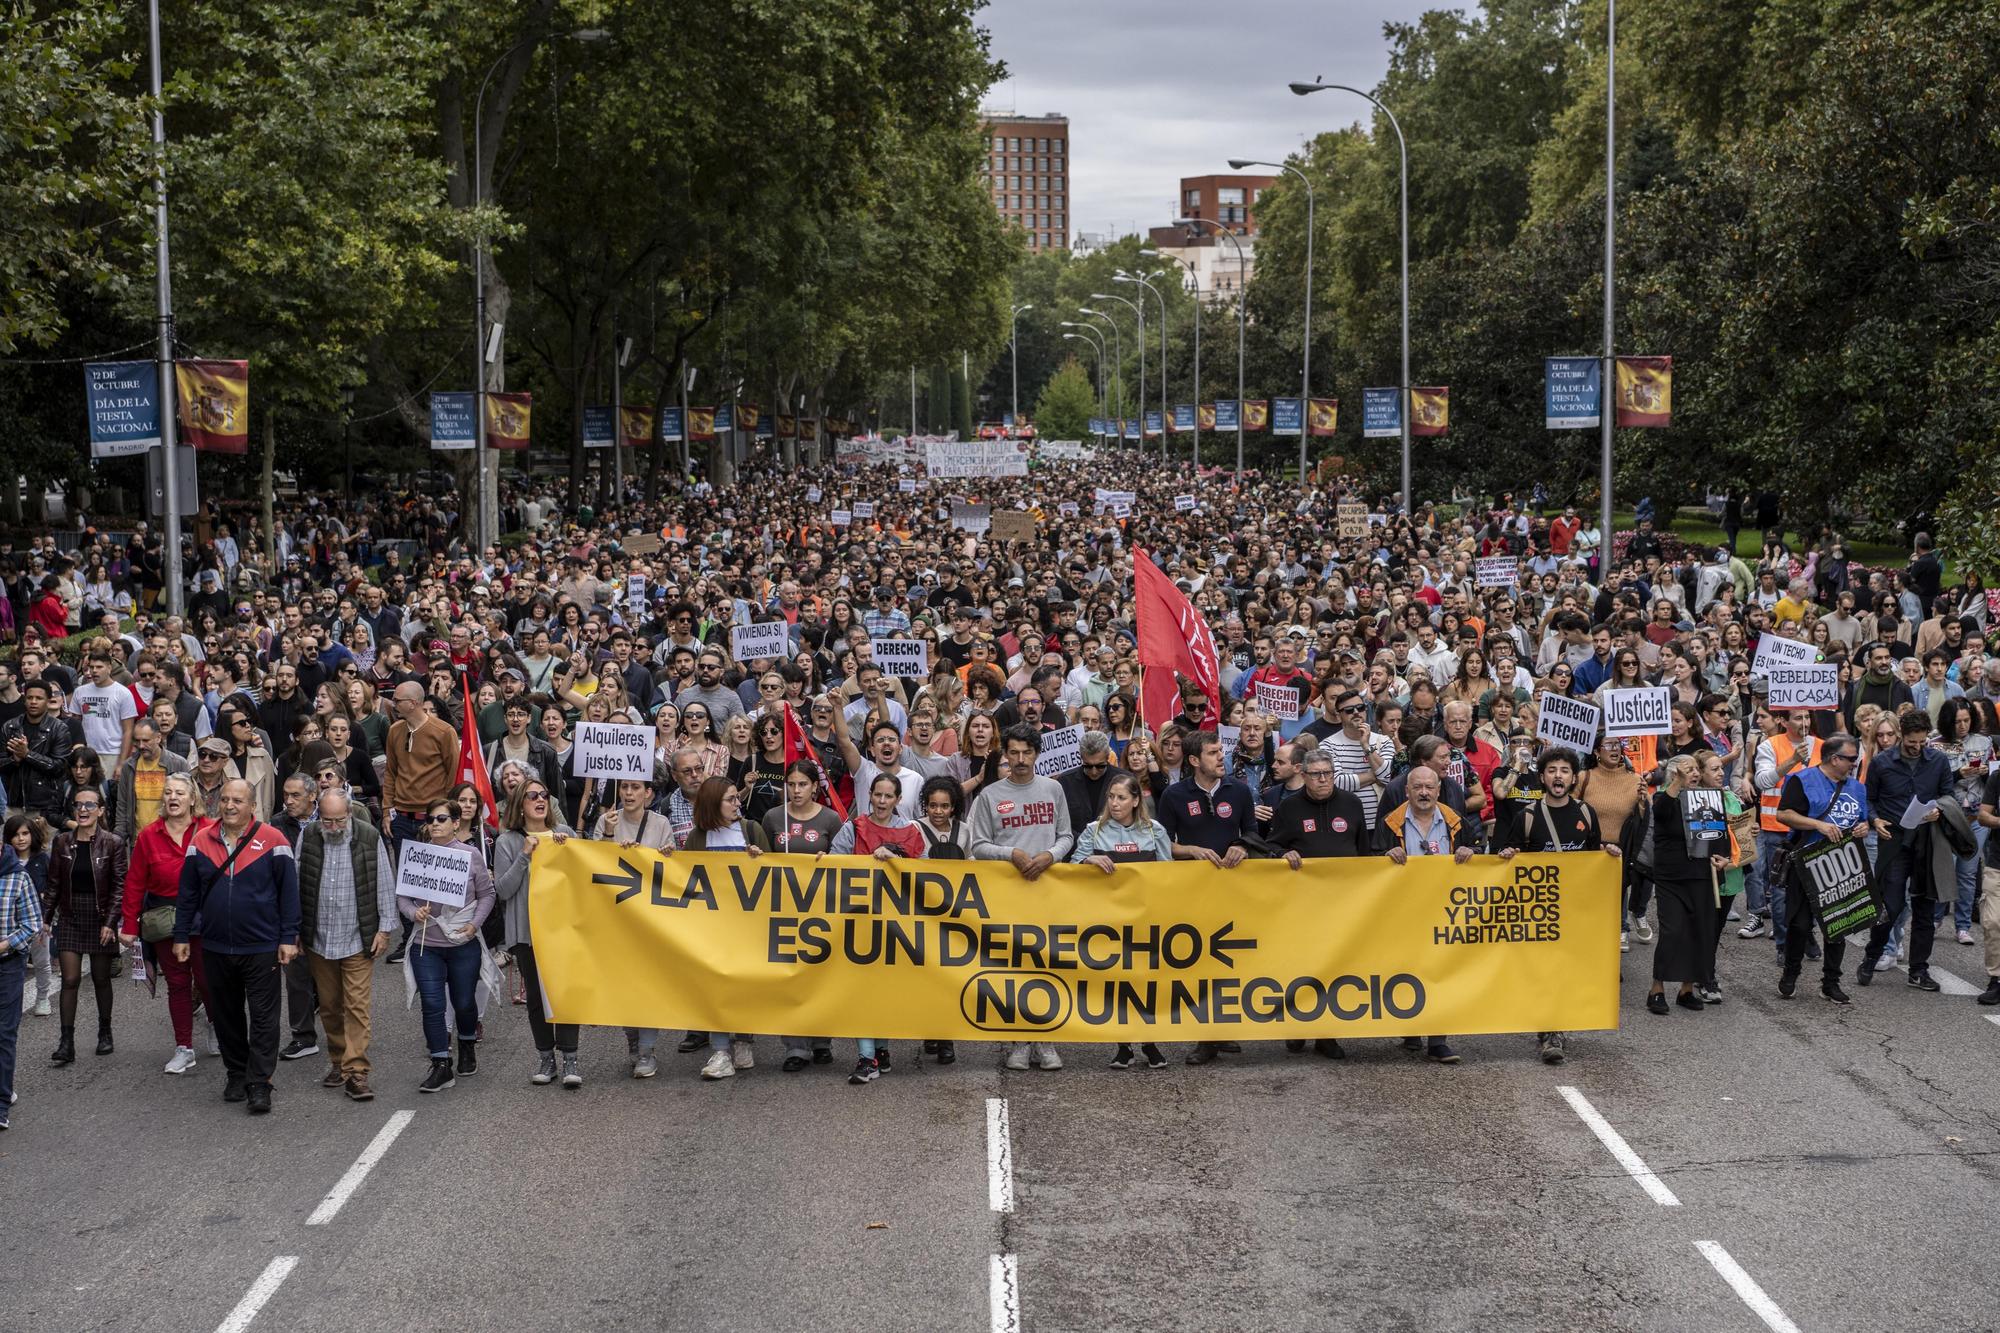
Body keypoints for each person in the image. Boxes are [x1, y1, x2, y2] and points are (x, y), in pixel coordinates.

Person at [173, 779, 300, 1115]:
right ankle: (235, 1073)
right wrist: (182, 935)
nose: (229, 806)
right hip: (215, 947)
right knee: (227, 1016)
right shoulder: (200, 842)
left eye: (238, 801)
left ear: (252, 806)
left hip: (261, 947)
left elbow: (289, 894)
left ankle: (260, 1083)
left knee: (263, 1018)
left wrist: (288, 938)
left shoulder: (274, 841)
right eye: (225, 800)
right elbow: (187, 895)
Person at [1495, 747, 1622, 1065]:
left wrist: (1607, 853)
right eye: (1552, 770)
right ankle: (1551, 1027)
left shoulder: (1585, 813)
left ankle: (1554, 1026)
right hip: (1539, 912)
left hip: (1574, 909)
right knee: (1544, 969)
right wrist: (1508, 855)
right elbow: (1507, 860)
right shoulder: (1527, 816)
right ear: (1542, 777)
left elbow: (1593, 856)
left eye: (1564, 770)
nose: (1558, 776)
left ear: (1573, 777)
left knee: (1565, 968)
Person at [968, 725, 1074, 1073]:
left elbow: (1066, 836)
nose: (1020, 759)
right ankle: (1019, 1039)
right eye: (1013, 752)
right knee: (1013, 967)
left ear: (1037, 753)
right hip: (1008, 894)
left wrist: (1050, 856)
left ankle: (1045, 1039)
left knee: (1045, 965)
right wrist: (1010, 853)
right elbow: (979, 845)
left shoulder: (1053, 789)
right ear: (1005, 755)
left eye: (1026, 752)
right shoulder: (990, 795)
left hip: (1047, 891)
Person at [295, 788, 395, 1101]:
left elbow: (383, 879)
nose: (335, 827)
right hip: (319, 936)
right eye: (328, 821)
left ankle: (356, 1072)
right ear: (319, 816)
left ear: (349, 814)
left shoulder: (367, 836)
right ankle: (339, 1060)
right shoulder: (309, 836)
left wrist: (385, 929)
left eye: (340, 821)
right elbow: (297, 878)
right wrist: (293, 930)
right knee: (329, 1005)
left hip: (357, 935)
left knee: (357, 1006)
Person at [1270, 751, 1371, 1059]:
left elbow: (1365, 854)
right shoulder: (1289, 807)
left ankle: (1328, 1035)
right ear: (1304, 775)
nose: (1323, 779)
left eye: (1327, 773)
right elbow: (1272, 844)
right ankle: (1298, 1028)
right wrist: (1282, 855)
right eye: (1316, 774)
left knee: (1335, 967)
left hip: (1343, 905)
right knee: (1301, 967)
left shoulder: (1352, 804)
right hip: (1303, 904)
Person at [1070, 770, 1171, 1070]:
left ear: (1136, 800)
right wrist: (1088, 860)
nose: (1115, 803)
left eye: (1122, 797)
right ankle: (1123, 1046)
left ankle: (1150, 1042)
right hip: (1108, 920)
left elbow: (1169, 874)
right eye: (1111, 797)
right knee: (1118, 983)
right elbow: (1072, 868)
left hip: (1145, 917)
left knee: (1147, 983)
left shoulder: (1154, 831)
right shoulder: (1093, 830)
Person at [1376, 764, 1474, 1063]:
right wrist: (1384, 856)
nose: (1423, 792)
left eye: (1429, 787)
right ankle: (1411, 1029)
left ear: (1438, 790)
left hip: (1445, 913)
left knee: (1440, 971)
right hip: (1403, 913)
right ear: (1406, 791)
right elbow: (1369, 862)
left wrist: (1471, 853)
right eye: (1417, 787)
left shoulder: (1457, 822)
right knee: (1407, 969)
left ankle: (1438, 1040)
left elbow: (1478, 857)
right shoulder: (1389, 824)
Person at [118, 773, 215, 1073]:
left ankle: (217, 1026)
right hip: (163, 920)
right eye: (168, 793)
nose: (173, 798)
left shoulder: (210, 830)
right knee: (177, 984)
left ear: (192, 799)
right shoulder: (149, 834)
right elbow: (135, 882)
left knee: (208, 980)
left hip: (204, 918)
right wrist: (130, 927)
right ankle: (184, 1048)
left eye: (180, 793)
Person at [399, 796, 495, 1093]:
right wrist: (413, 912)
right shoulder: (417, 855)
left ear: (456, 823)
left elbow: (487, 894)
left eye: (441, 819)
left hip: (462, 943)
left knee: (464, 1002)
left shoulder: (471, 855)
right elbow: (402, 895)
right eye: (431, 819)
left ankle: (466, 1042)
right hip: (427, 943)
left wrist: (474, 924)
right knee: (432, 1003)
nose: (435, 824)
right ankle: (441, 1064)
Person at [1858, 710, 1955, 992]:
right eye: (1912, 742)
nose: (1917, 747)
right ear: (1902, 735)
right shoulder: (1882, 762)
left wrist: (1939, 808)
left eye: (1922, 742)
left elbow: (1948, 793)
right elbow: (1869, 799)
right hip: (1894, 840)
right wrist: (1875, 820)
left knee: (1925, 905)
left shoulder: (1937, 760)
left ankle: (1918, 970)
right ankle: (1871, 956)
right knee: (1890, 906)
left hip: (1926, 839)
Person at [492, 780, 580, 1088]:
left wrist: (566, 852)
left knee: (566, 993)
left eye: (545, 795)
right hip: (527, 933)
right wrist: (525, 856)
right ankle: (546, 1057)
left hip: (562, 930)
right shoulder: (507, 842)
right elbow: (502, 890)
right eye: (532, 796)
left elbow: (584, 877)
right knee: (536, 1000)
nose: (540, 799)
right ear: (520, 804)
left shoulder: (566, 835)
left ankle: (570, 1058)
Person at [683, 776, 769, 1080]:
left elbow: (776, 877)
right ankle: (721, 1051)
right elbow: (685, 880)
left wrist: (760, 861)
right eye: (730, 799)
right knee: (715, 988)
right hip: (713, 928)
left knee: (744, 985)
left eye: (737, 798)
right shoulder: (697, 838)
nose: (737, 803)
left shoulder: (751, 830)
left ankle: (744, 1041)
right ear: (712, 804)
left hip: (747, 927)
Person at [1774, 734, 1867, 1003]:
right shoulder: (1801, 780)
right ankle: (1790, 974)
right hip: (1807, 862)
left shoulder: (1857, 787)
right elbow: (1784, 814)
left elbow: (1861, 819)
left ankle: (1831, 983)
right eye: (1851, 758)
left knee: (1838, 926)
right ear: (1834, 758)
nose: (1854, 763)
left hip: (1843, 865)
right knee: (1800, 925)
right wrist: (1818, 825)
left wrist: (1864, 827)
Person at [596, 776, 674, 1077]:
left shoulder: (660, 824)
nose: (628, 793)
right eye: (624, 788)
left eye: (635, 788)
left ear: (649, 793)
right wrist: (610, 837)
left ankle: (646, 1051)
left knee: (649, 985)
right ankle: (633, 1041)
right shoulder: (607, 820)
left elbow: (671, 868)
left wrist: (661, 855)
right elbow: (594, 864)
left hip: (651, 920)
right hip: (618, 919)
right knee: (627, 985)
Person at [42, 786, 125, 1064]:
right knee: (70, 979)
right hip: (70, 915)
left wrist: (111, 922)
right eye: (79, 805)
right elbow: (53, 883)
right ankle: (66, 1043)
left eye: (90, 805)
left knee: (101, 978)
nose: (84, 809)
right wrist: (44, 919)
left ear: (101, 810)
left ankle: (105, 1031)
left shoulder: (113, 843)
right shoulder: (62, 842)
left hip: (101, 916)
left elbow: (118, 887)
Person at [1643, 754, 1729, 1016]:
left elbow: (1719, 833)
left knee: (1698, 932)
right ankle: (1656, 988)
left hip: (1701, 874)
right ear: (1674, 773)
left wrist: (1723, 857)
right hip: (1672, 876)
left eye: (1695, 769)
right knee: (1673, 931)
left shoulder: (1710, 797)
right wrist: (1677, 783)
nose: (1693, 773)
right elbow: (1661, 813)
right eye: (1686, 769)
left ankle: (1686, 989)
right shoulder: (1662, 797)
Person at [382, 680, 460, 964]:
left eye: (397, 699)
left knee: (436, 880)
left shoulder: (444, 732)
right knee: (407, 882)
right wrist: (386, 808)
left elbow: (453, 776)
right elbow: (391, 772)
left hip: (432, 819)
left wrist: (444, 817)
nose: (392, 702)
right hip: (402, 817)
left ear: (412, 703)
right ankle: (409, 939)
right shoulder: (394, 731)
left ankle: (438, 937)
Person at [0, 818, 48, 1128]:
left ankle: (1, 1101)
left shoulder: (18, 877)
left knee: (4, 1033)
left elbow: (32, 922)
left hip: (8, 965)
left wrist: (4, 944)